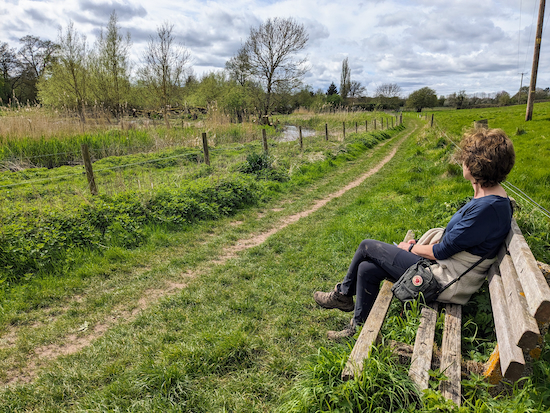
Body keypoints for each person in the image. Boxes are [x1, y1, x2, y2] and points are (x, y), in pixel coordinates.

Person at [314, 128, 516, 339]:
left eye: (466, 158)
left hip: (442, 280)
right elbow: (457, 242)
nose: (462, 162)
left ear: (477, 165)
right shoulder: (489, 199)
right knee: (366, 268)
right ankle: (357, 329)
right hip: (443, 267)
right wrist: (419, 245)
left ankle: (342, 295)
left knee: (367, 246)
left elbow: (443, 250)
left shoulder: (487, 208)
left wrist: (409, 247)